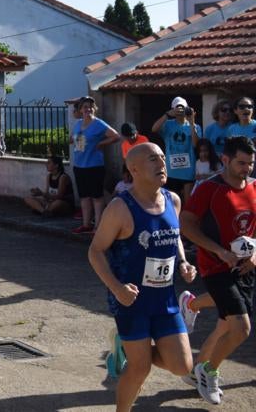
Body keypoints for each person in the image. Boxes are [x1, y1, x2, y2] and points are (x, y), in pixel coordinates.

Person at [87, 142, 196, 412]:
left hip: (164, 299)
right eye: (152, 159)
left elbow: (174, 236)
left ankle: (126, 347)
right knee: (140, 368)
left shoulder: (173, 200)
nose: (161, 163)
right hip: (130, 301)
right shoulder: (120, 208)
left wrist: (183, 262)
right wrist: (117, 289)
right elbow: (95, 251)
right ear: (133, 169)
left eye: (162, 157)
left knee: (183, 365)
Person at [179, 136, 256, 405]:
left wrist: (255, 255)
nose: (246, 168)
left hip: (245, 268)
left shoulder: (255, 187)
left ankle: (195, 368)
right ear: (225, 159)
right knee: (241, 328)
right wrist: (219, 251)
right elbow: (186, 225)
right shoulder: (209, 189)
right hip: (215, 267)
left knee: (226, 325)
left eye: (250, 163)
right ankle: (208, 370)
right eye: (241, 163)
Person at [69, 96, 120, 233]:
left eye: (91, 106)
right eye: (85, 107)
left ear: (94, 109)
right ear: (80, 110)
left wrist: (101, 143)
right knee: (84, 197)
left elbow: (116, 136)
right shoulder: (78, 124)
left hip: (94, 166)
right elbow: (71, 139)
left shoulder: (99, 124)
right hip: (79, 166)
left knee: (97, 197)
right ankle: (86, 225)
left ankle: (97, 226)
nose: (88, 109)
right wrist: (73, 140)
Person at [151, 97, 201, 198]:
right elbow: (154, 129)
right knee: (172, 201)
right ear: (173, 109)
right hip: (171, 172)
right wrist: (167, 115)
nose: (180, 110)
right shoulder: (167, 125)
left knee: (188, 202)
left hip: (188, 171)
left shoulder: (195, 126)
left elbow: (196, 144)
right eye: (177, 108)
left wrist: (191, 123)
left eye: (182, 108)